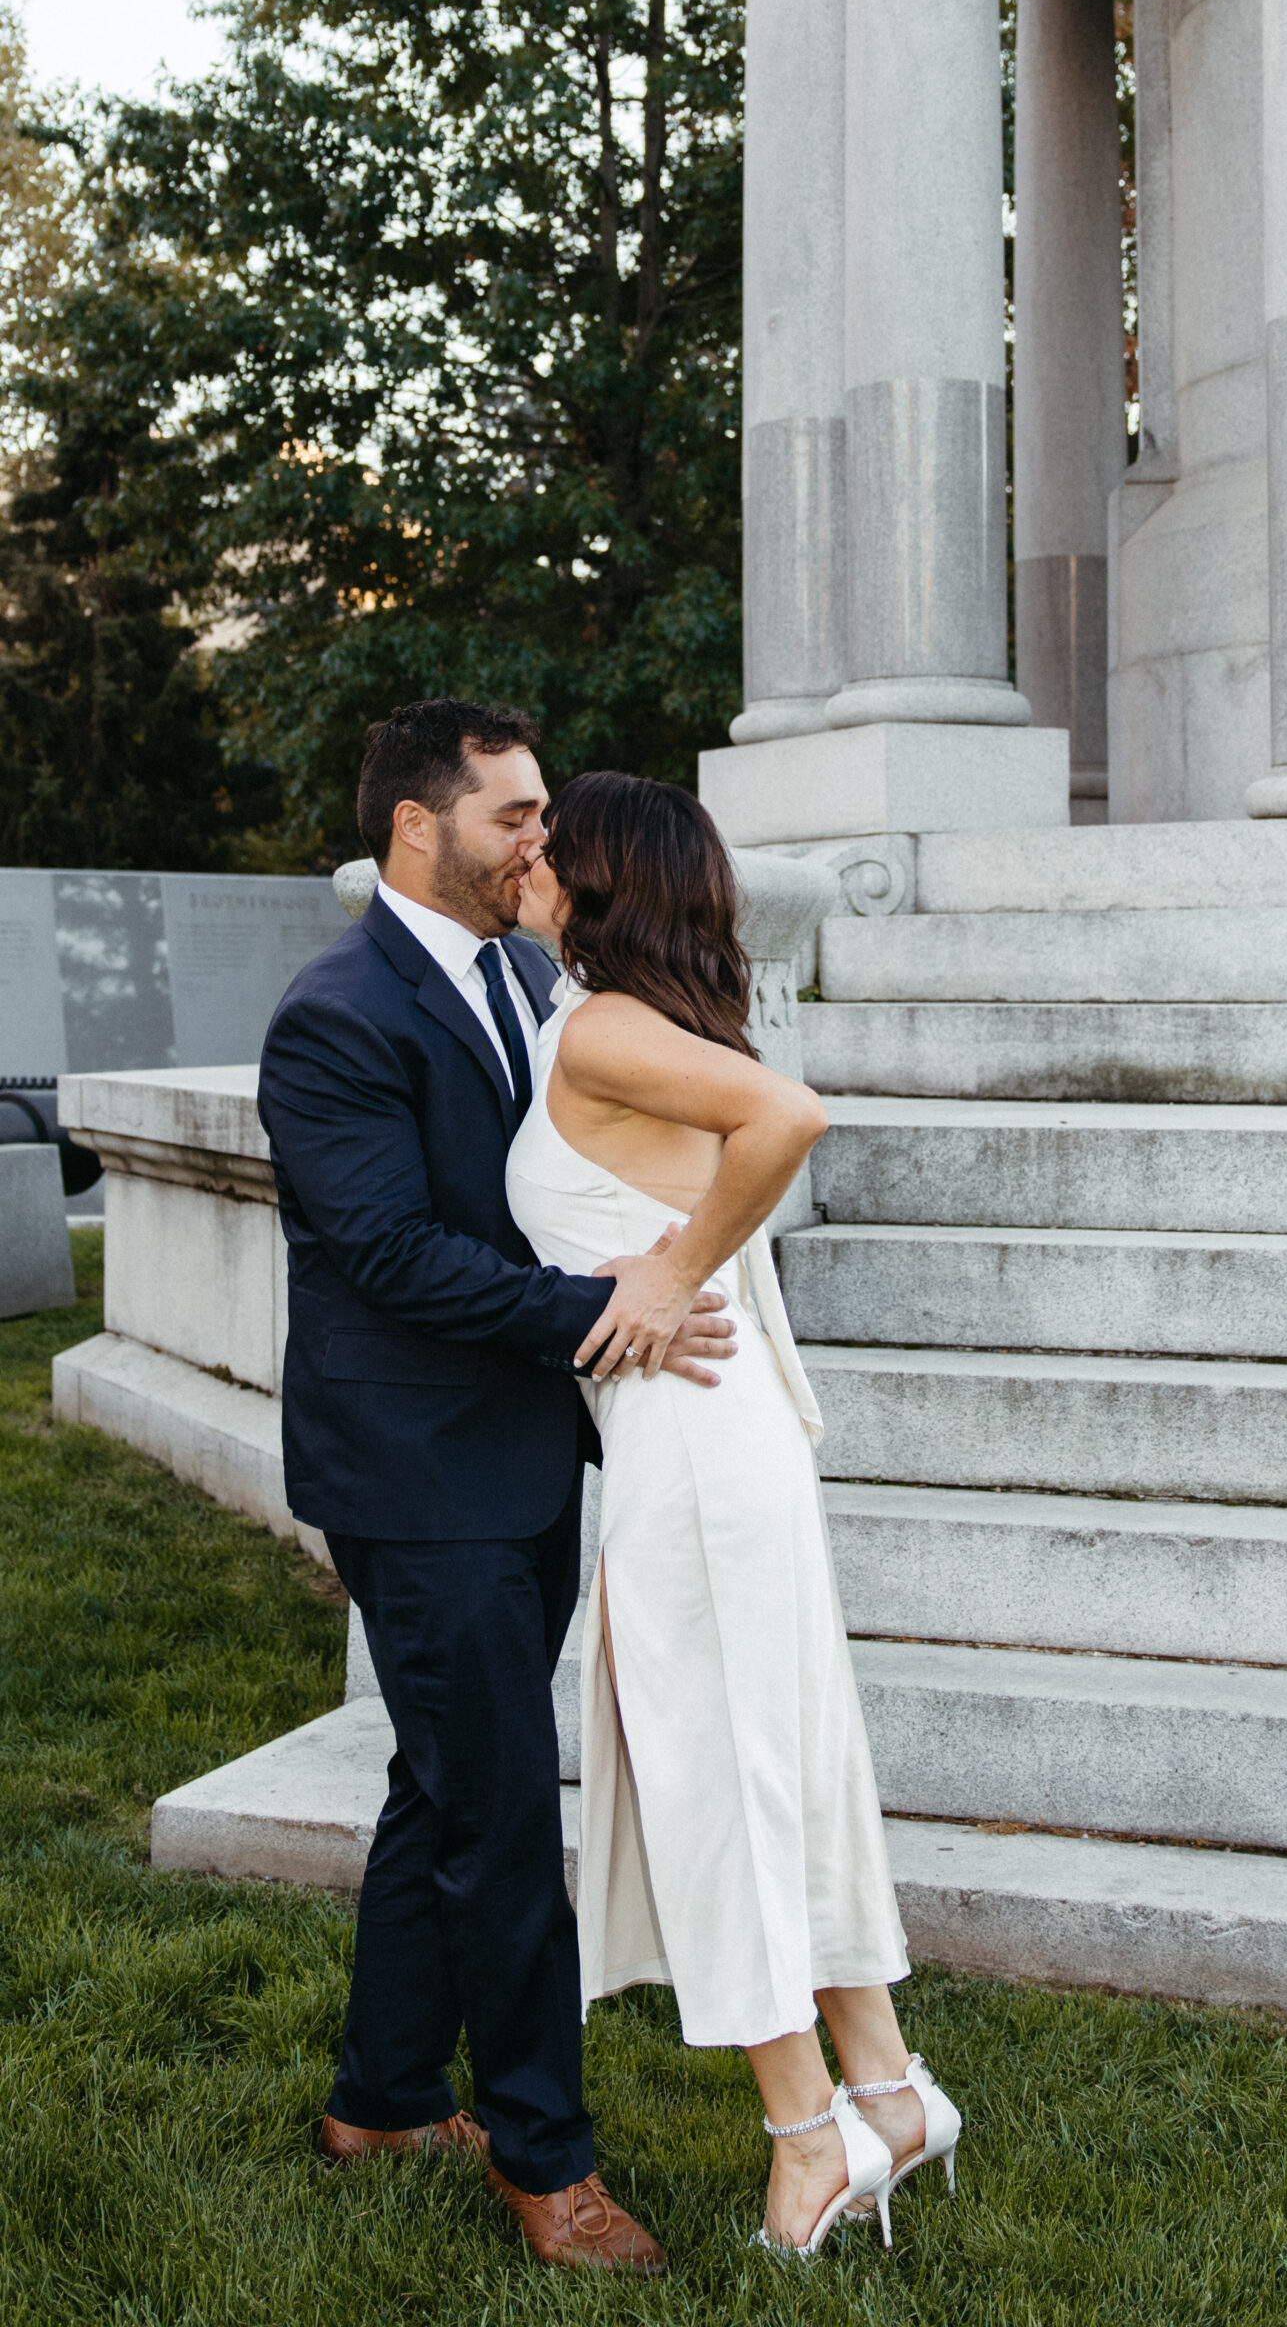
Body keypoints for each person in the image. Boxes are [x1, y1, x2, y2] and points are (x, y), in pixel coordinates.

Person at [258, 701, 738, 2280]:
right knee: (506, 1818)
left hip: (525, 1456)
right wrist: (614, 1311)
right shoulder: (335, 1015)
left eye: (542, 814)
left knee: (446, 1787)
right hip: (415, 1472)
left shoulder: (536, 975)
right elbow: (386, 1254)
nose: (544, 840)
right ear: (419, 825)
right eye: (516, 815)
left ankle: (384, 2100)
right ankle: (551, 2168)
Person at [506, 769, 961, 2255]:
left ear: (599, 883)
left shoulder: (605, 1027)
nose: (528, 861)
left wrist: (667, 1271)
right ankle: (885, 2090)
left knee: (720, 1776)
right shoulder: (650, 1024)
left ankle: (806, 2142)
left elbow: (791, 1115)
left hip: (693, 1447)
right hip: (715, 1437)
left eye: (549, 846)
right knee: (772, 1755)